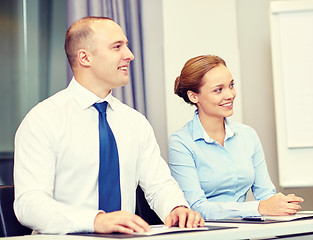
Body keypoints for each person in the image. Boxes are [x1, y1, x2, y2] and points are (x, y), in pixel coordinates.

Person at [13, 16, 204, 234]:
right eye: (117, 47)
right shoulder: (43, 120)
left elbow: (159, 185)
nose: (129, 55)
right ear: (85, 57)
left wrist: (176, 207)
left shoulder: (135, 122)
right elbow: (28, 204)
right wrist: (95, 221)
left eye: (127, 46)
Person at [168, 55, 304, 220]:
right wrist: (259, 207)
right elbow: (196, 208)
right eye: (218, 89)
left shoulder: (248, 135)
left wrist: (282, 204)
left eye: (231, 85)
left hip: (244, 231)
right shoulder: (181, 142)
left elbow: (266, 194)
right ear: (194, 96)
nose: (230, 95)